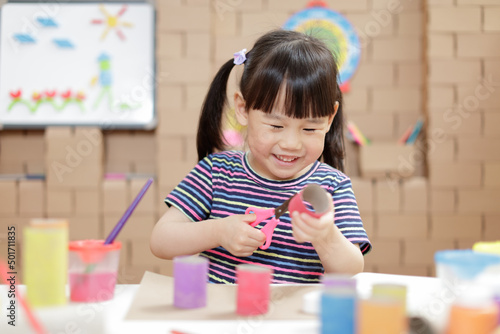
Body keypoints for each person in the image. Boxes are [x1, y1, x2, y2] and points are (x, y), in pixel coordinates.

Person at [150, 29, 371, 284]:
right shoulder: (216, 172)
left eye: (309, 129)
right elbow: (161, 240)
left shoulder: (332, 187)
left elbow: (352, 269)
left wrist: (326, 237)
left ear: (330, 118)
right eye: (276, 126)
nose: (291, 144)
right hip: (220, 321)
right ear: (243, 109)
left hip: (291, 322)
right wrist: (218, 231)